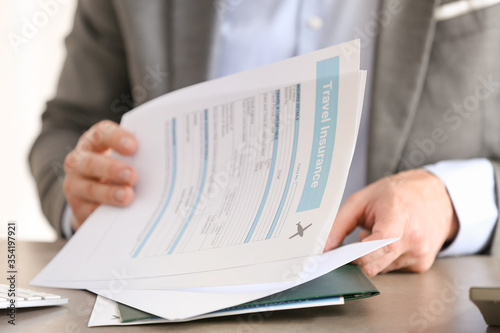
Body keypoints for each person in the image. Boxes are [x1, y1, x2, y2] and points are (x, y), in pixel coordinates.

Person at [29, 0, 500, 277]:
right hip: (182, 298)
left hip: (414, 300)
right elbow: (69, 125)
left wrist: (454, 200)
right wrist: (84, 204)